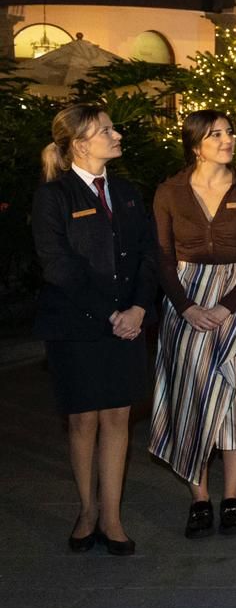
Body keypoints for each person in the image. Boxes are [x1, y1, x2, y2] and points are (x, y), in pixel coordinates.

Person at [32, 105, 157, 556]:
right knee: (84, 420)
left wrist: (140, 306)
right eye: (106, 130)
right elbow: (58, 266)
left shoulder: (126, 192)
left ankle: (113, 516)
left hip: (128, 321)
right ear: (81, 144)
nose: (117, 134)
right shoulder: (55, 196)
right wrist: (112, 313)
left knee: (118, 417)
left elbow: (148, 252)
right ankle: (87, 510)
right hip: (77, 325)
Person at [149, 111, 236, 538]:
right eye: (216, 134)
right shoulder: (169, 191)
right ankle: (199, 499)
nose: (227, 139)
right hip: (185, 298)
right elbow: (163, 257)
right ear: (195, 144)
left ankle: (232, 497)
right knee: (192, 397)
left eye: (229, 131)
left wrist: (227, 305)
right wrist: (185, 306)